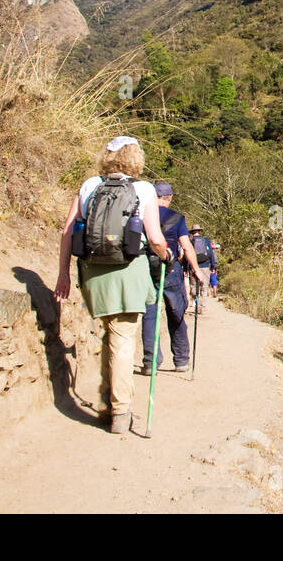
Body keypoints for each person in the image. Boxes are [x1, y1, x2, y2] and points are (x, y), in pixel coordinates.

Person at [54, 136, 173, 435]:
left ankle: (109, 399)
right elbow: (155, 238)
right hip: (127, 270)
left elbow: (68, 232)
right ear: (136, 158)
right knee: (122, 338)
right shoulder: (143, 189)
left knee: (109, 334)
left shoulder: (89, 186)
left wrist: (63, 275)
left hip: (92, 272)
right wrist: (167, 254)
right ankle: (120, 412)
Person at [139, 183, 202, 374]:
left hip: (147, 267)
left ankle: (151, 362)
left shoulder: (142, 215)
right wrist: (196, 269)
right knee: (176, 314)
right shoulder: (177, 218)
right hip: (170, 268)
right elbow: (187, 246)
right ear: (170, 197)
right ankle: (181, 360)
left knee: (150, 315)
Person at [188, 225, 217, 308]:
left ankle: (196, 299)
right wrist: (212, 267)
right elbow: (211, 254)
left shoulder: (190, 241)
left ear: (192, 232)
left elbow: (188, 254)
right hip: (205, 266)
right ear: (200, 231)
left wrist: (186, 268)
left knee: (193, 286)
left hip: (193, 267)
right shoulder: (206, 240)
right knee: (204, 287)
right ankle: (202, 307)